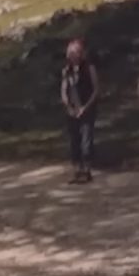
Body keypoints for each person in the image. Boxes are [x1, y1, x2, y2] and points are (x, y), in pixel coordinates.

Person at [60, 37, 99, 183]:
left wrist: (86, 107)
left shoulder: (89, 68)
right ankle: (77, 170)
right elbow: (64, 90)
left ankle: (87, 170)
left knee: (86, 140)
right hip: (72, 110)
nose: (71, 56)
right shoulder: (67, 70)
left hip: (87, 108)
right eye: (69, 53)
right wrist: (68, 106)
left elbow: (96, 89)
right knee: (74, 141)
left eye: (74, 53)